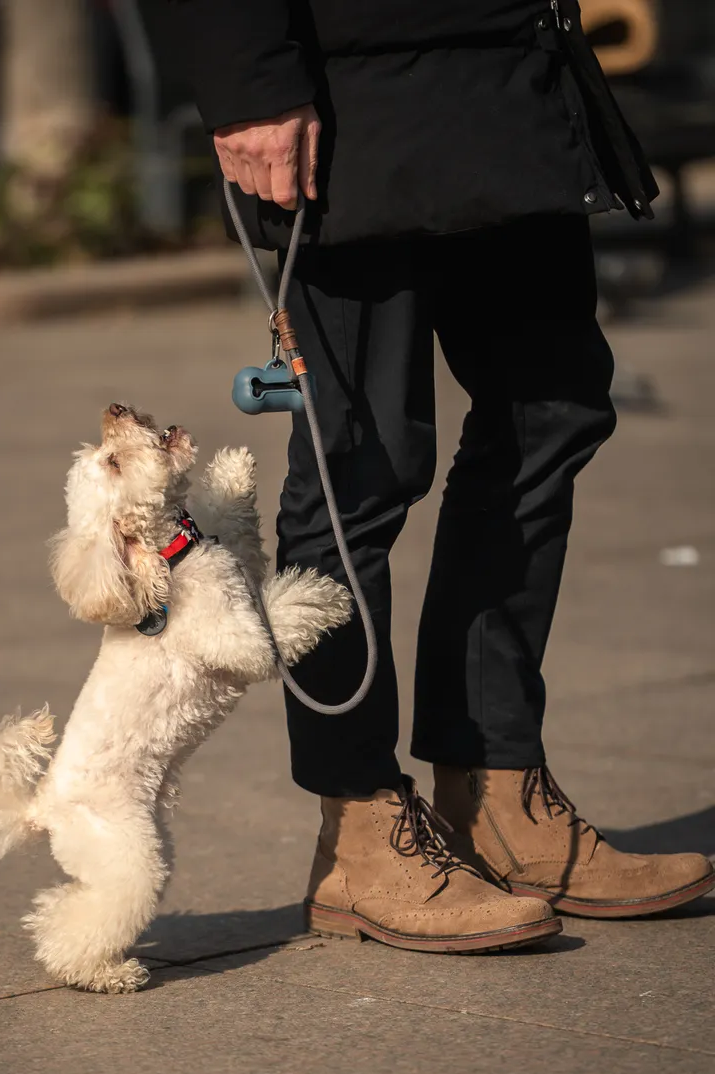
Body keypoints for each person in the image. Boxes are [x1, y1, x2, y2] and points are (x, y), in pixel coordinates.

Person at [164, 0, 715, 949]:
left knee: (552, 412)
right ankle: (358, 827)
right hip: (351, 104)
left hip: (510, 79)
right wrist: (250, 81)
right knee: (360, 464)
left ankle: (496, 784)